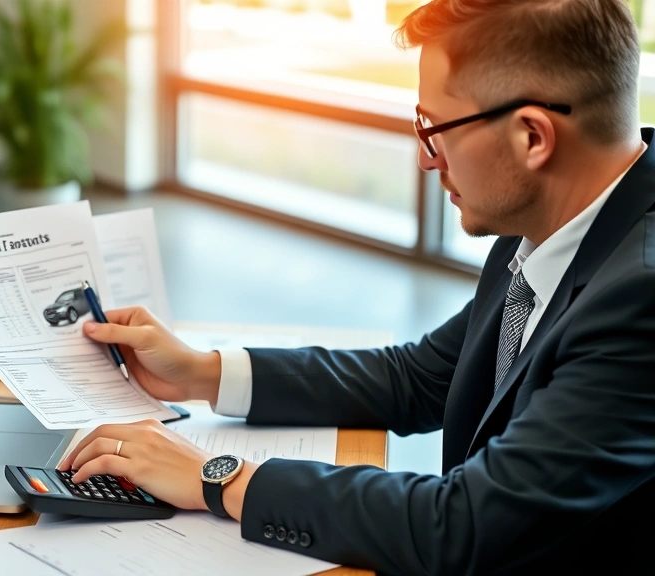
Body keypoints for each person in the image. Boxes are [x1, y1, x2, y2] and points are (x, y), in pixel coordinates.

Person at [58, 0, 655, 573]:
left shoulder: (639, 300)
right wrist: (199, 373)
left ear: (532, 138)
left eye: (435, 128)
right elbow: (419, 376)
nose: (426, 161)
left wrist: (218, 477)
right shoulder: (555, 219)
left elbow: (463, 525)